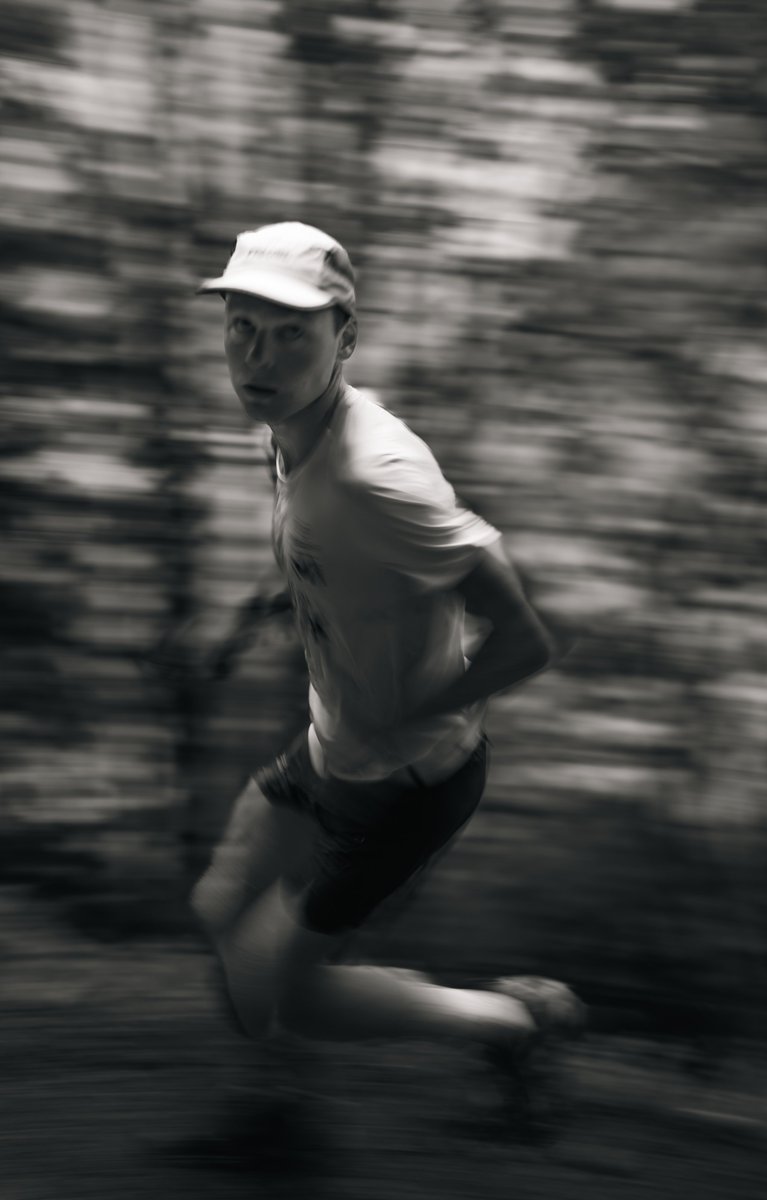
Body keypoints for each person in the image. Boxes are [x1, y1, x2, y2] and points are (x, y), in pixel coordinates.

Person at [178, 221, 583, 1165]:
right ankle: (276, 1114)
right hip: (333, 749)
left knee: (292, 994)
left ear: (345, 339)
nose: (258, 356)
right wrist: (241, 624)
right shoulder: (289, 432)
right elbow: (330, 567)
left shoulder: (377, 475)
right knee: (221, 913)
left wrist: (405, 715)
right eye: (242, 327)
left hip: (406, 785)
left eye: (290, 333)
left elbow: (524, 639)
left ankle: (515, 1024)